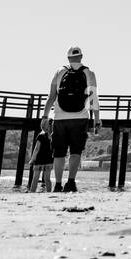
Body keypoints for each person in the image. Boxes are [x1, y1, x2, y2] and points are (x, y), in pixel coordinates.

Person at [40, 47, 100, 193]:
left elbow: (51, 97)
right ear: (82, 56)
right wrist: (97, 120)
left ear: (68, 58)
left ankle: (58, 184)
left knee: (59, 153)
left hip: (60, 118)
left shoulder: (59, 72)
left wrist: (45, 116)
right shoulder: (89, 73)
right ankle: (71, 183)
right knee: (75, 152)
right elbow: (93, 99)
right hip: (80, 118)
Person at [28, 127, 53, 192]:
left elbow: (37, 148)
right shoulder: (53, 136)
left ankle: (32, 192)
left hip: (39, 160)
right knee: (47, 179)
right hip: (49, 160)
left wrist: (32, 159)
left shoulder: (41, 136)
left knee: (35, 178)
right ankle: (49, 192)